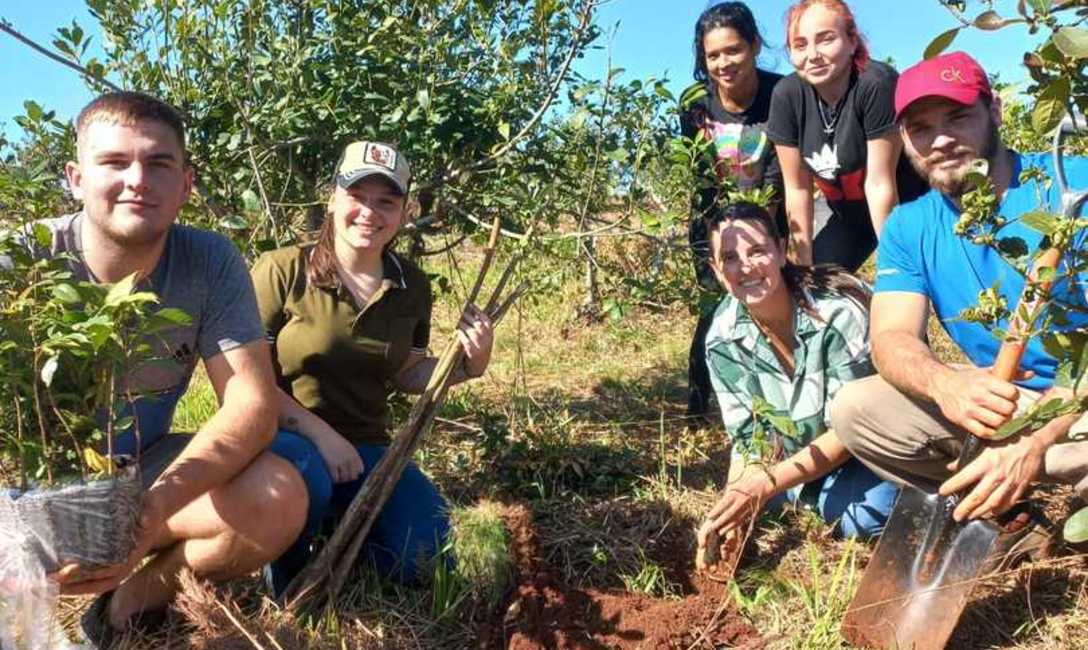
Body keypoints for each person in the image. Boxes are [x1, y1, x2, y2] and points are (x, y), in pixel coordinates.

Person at [38, 92, 311, 638]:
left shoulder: (208, 261)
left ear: (186, 183)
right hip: (31, 486)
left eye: (159, 163)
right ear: (75, 177)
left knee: (279, 496)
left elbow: (252, 406)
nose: (137, 179)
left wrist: (149, 512)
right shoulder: (21, 260)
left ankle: (126, 607)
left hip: (141, 469)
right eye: (114, 162)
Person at [830, 52, 1088, 540]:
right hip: (1007, 398)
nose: (942, 140)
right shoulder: (909, 226)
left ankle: (1052, 479)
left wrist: (1038, 438)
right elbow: (890, 338)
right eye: (921, 128)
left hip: (1078, 402)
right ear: (904, 140)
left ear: (994, 112)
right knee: (855, 410)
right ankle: (1009, 517)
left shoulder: (1072, 187)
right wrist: (947, 385)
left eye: (958, 117)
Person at [253, 141, 495, 593]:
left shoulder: (412, 286)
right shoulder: (282, 270)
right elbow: (248, 382)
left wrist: (467, 366)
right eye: (357, 196)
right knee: (307, 477)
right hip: (283, 442)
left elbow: (409, 374)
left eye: (386, 201)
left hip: (366, 450)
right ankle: (283, 570)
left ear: (404, 211)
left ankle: (341, 537)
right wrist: (321, 436)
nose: (370, 212)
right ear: (332, 199)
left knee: (425, 558)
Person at [694, 202, 898, 568]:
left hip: (867, 443)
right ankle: (805, 494)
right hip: (796, 455)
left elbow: (855, 427)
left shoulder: (836, 313)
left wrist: (767, 485)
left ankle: (814, 494)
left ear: (782, 252)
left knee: (866, 516)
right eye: (729, 258)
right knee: (761, 504)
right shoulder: (722, 339)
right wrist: (735, 507)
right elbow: (750, 440)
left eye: (757, 251)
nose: (746, 266)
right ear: (717, 271)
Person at [680, 1, 785, 422]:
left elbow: (779, 175)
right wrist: (716, 237)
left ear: (755, 45)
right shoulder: (695, 104)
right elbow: (700, 177)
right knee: (716, 307)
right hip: (712, 221)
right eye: (713, 55)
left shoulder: (784, 94)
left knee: (768, 303)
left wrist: (771, 238)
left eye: (733, 50)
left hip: (768, 219)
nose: (724, 62)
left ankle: (768, 396)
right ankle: (697, 400)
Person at [766, 0, 928, 272]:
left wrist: (894, 268)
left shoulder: (875, 84)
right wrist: (804, 272)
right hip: (850, 219)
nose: (813, 54)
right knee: (814, 286)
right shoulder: (787, 96)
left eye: (826, 39)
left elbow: (880, 184)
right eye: (800, 44)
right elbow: (798, 189)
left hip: (910, 207)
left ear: (852, 41)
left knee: (918, 281)